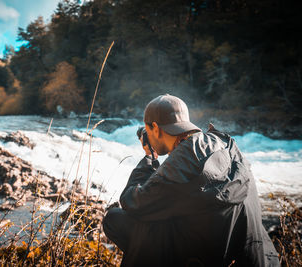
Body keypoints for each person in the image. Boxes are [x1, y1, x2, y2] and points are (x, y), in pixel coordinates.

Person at [103, 94, 280, 266]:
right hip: (255, 257)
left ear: (155, 128)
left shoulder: (183, 162)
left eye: (148, 129)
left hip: (200, 256)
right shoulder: (225, 145)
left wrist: (150, 157)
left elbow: (132, 202)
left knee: (114, 219)